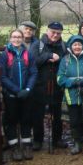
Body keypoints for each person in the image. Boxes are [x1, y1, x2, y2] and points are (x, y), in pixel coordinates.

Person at [0, 29, 38, 161]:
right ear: (10, 39)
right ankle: (14, 147)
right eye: (14, 37)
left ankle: (27, 145)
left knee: (26, 118)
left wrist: (27, 89)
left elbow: (33, 72)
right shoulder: (4, 55)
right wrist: (16, 90)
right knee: (12, 120)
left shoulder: (28, 54)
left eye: (19, 37)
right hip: (11, 94)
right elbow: (2, 77)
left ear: (22, 39)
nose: (16, 39)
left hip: (26, 94)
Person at [29, 21, 68, 151]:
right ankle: (37, 140)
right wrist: (48, 56)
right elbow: (32, 61)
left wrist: (59, 59)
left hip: (57, 86)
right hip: (39, 86)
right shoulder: (37, 45)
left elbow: (67, 61)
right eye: (53, 32)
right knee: (37, 115)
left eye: (58, 33)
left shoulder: (63, 45)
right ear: (47, 31)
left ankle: (57, 139)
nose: (55, 35)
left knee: (57, 115)